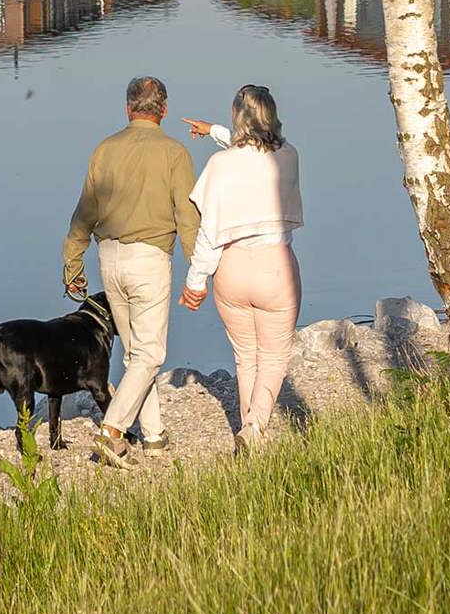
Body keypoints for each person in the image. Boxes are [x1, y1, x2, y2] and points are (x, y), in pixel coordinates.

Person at [63, 76, 199, 468]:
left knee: (135, 352)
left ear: (128, 108)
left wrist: (73, 262)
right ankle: (112, 429)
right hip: (149, 259)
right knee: (151, 352)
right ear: (164, 110)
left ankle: (154, 435)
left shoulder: (105, 150)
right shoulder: (175, 153)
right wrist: (199, 271)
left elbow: (84, 212)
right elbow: (186, 217)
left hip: (109, 258)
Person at [179, 85, 302, 453]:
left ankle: (250, 434)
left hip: (231, 270)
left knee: (245, 356)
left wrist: (195, 281)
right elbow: (256, 153)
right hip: (274, 267)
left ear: (237, 118)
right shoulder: (289, 156)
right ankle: (254, 427)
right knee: (275, 355)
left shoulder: (220, 165)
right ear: (273, 115)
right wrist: (214, 132)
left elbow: (209, 232)